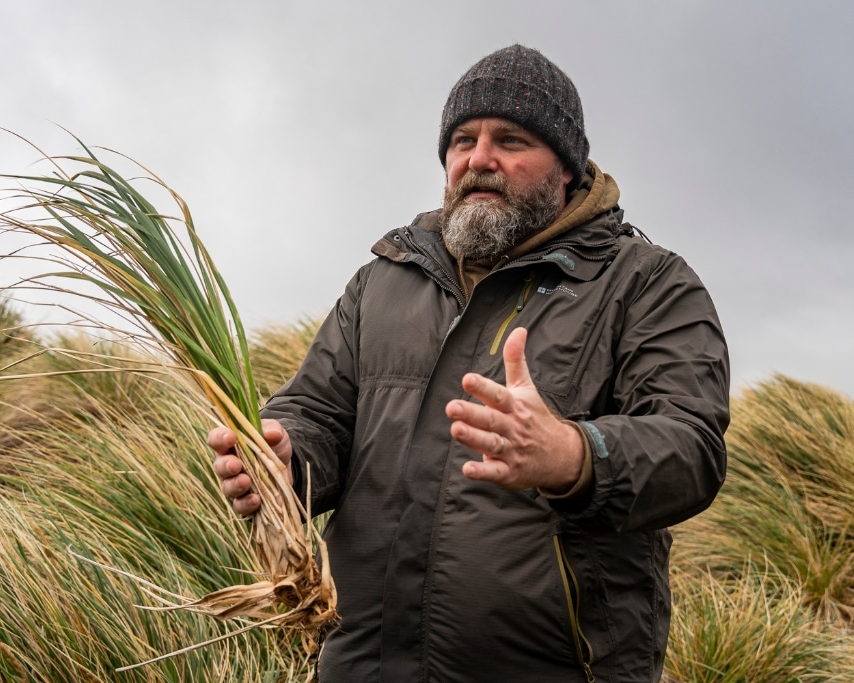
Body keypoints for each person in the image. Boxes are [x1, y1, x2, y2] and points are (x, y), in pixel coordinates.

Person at [211, 44, 729, 683]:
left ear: (566, 168)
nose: (480, 158)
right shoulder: (383, 281)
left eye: (510, 140)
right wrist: (285, 460)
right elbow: (317, 411)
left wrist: (573, 454)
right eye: (462, 140)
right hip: (361, 664)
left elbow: (691, 448)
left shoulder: (648, 284)